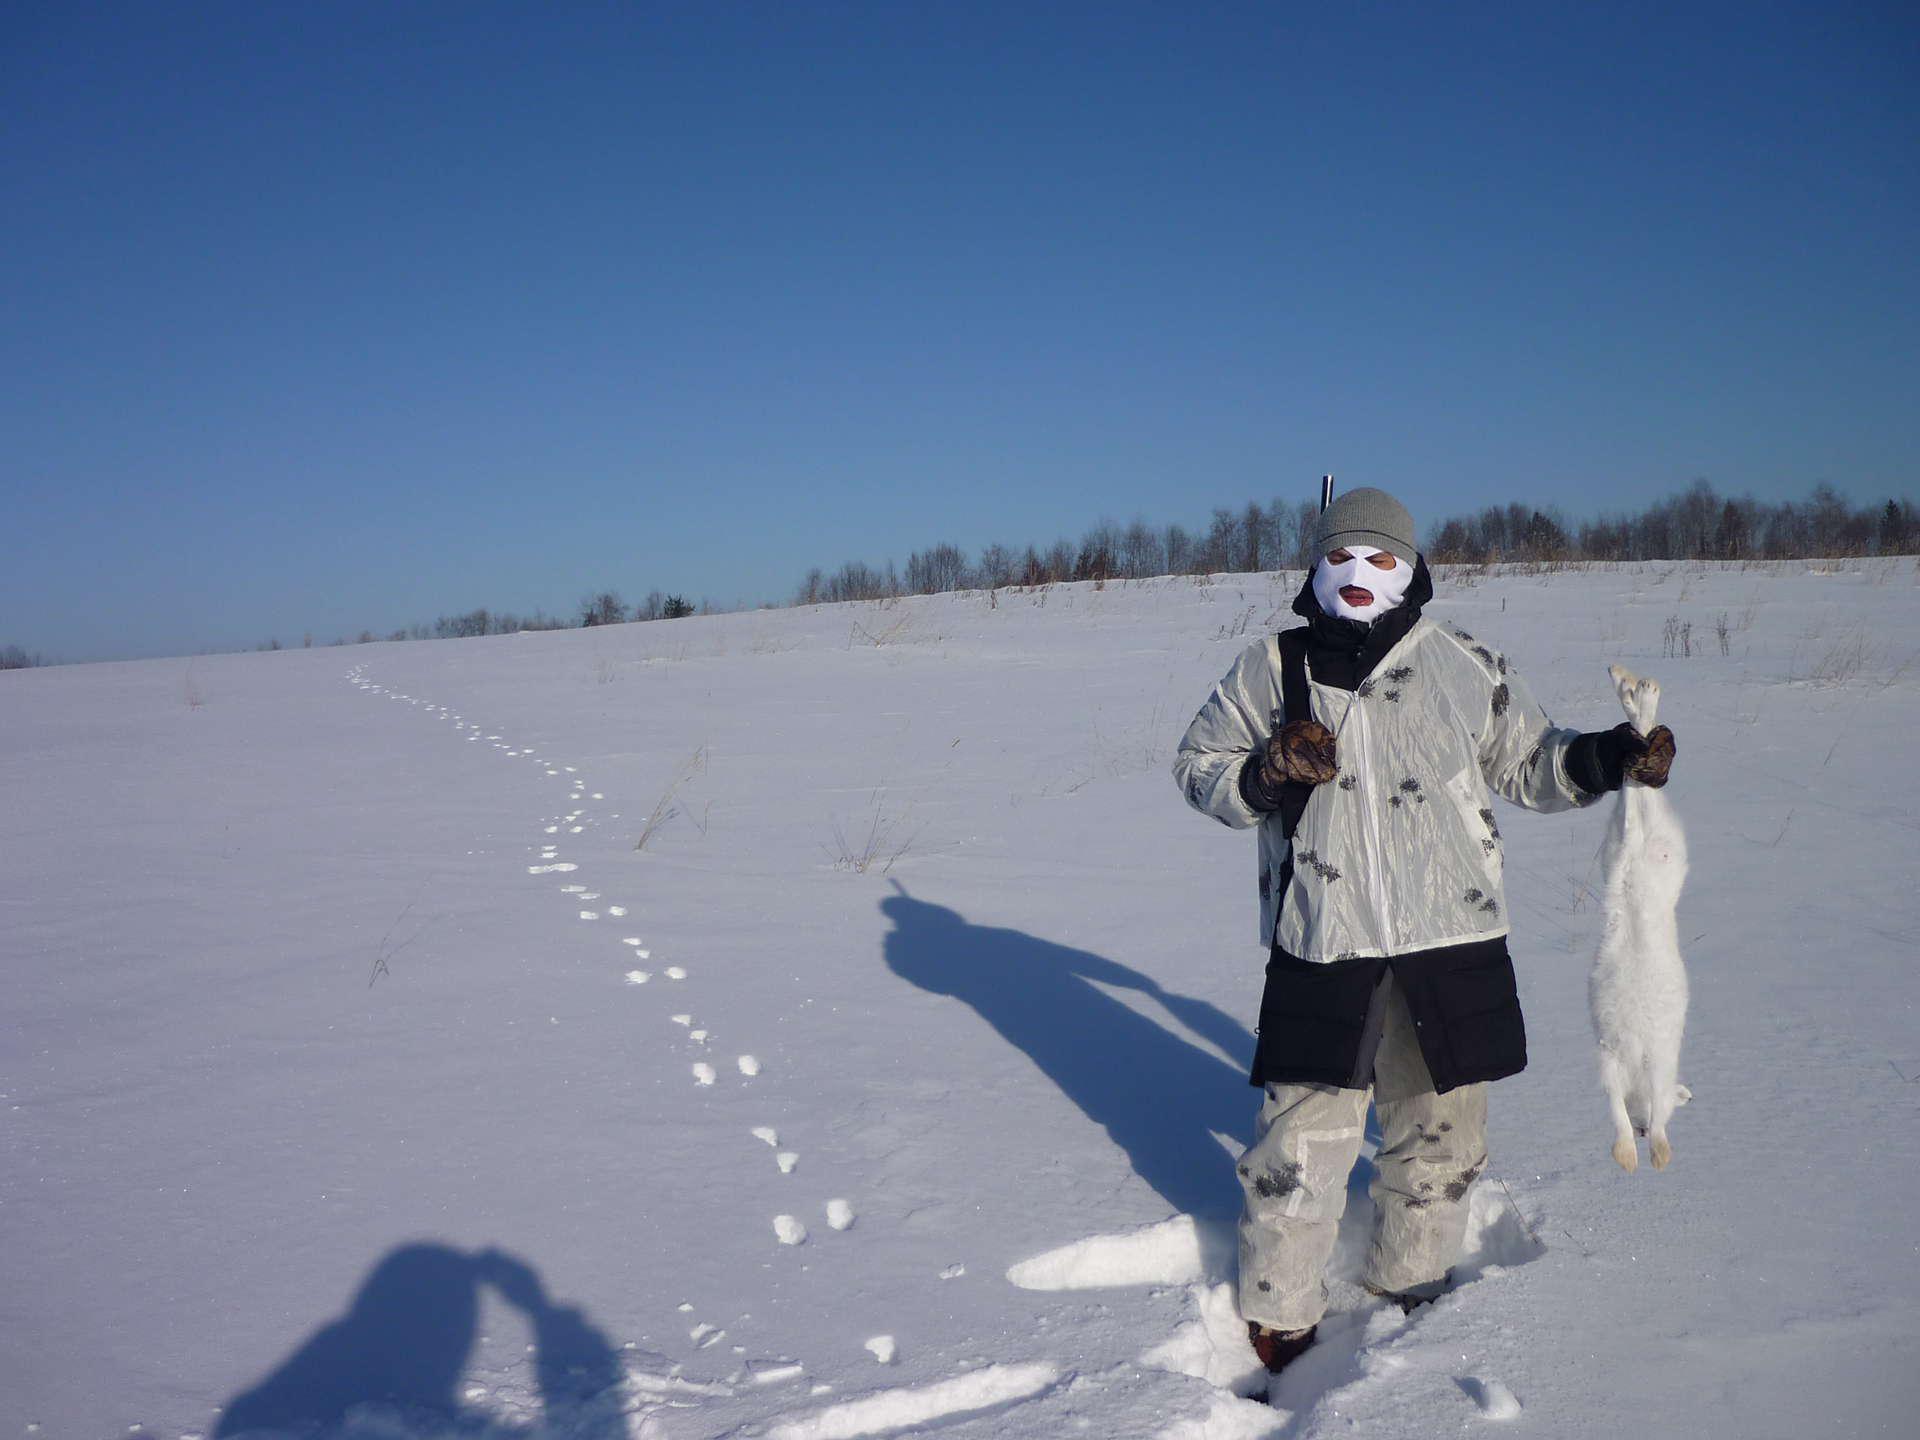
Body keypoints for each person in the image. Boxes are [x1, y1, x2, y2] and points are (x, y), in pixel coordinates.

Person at [1171, 486, 1674, 1382]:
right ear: (1315, 569)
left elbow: (1530, 762)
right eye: (1340, 559)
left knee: (1442, 1130)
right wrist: (1268, 768)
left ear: (1412, 570)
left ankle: (1415, 1277)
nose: (1359, 577)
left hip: (1453, 939)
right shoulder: (1271, 667)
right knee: (1300, 1141)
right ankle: (1280, 1314)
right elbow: (1198, 766)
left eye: (1381, 560)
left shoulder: (1461, 662)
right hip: (1325, 939)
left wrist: (1607, 757)